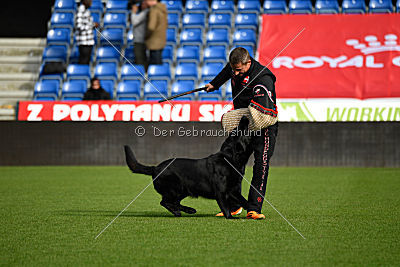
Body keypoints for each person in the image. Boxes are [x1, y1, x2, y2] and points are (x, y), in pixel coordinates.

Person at [205, 47, 279, 220]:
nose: (235, 73)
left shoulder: (263, 78)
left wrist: (242, 114)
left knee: (261, 165)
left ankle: (254, 208)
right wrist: (214, 84)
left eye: (239, 69)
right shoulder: (234, 68)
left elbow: (262, 112)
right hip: (243, 125)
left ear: (248, 62)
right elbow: (227, 71)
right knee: (231, 163)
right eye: (234, 69)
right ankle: (234, 205)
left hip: (263, 125)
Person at [75, 0, 99, 65]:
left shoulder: (87, 11)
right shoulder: (80, 11)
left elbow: (87, 23)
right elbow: (79, 26)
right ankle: (81, 74)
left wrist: (93, 24)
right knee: (83, 61)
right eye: (89, 0)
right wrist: (92, 26)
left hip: (89, 41)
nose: (91, 2)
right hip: (84, 42)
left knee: (87, 61)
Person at [144, 0, 167, 65]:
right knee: (158, 62)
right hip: (161, 40)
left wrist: (146, 35)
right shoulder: (162, 9)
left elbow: (151, 27)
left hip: (153, 41)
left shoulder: (154, 10)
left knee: (155, 63)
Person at [131, 1, 149, 67]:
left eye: (144, 3)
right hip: (140, 40)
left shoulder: (145, 12)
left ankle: (143, 75)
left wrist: (133, 12)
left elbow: (134, 22)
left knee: (140, 61)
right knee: (140, 60)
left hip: (141, 40)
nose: (142, 5)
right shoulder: (142, 13)